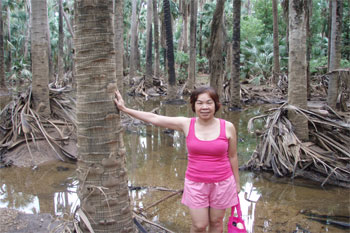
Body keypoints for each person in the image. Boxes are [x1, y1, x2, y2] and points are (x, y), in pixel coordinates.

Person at [114, 86, 241, 233]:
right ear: (193, 105)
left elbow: (232, 156)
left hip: (222, 183)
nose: (204, 107)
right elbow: (154, 118)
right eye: (200, 103)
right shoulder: (187, 124)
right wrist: (125, 109)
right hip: (195, 183)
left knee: (217, 222)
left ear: (216, 105)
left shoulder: (228, 127)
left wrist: (236, 183)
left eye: (209, 102)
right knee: (199, 225)